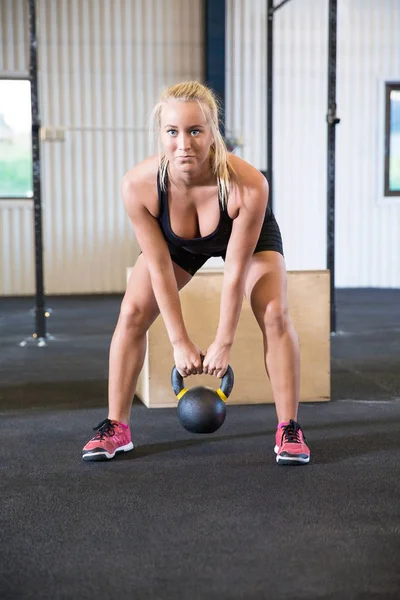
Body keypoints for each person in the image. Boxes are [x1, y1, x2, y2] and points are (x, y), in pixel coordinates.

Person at [82, 81, 310, 466]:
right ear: (161, 134)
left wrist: (223, 341)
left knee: (274, 312)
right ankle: (116, 427)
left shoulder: (248, 185)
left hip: (241, 235)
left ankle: (289, 428)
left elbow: (235, 270)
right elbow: (158, 267)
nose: (183, 144)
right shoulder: (138, 186)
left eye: (194, 131)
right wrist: (179, 341)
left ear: (212, 131)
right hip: (178, 244)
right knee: (132, 312)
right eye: (172, 132)